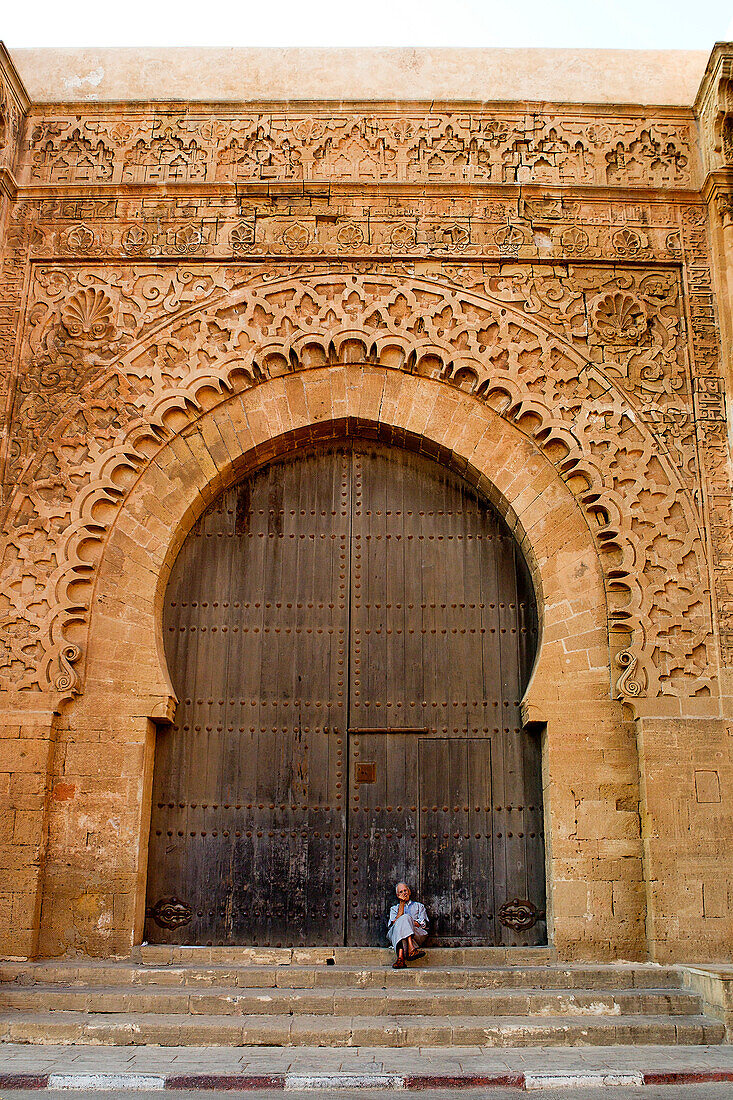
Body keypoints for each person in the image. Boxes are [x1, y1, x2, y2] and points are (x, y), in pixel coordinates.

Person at [387, 882, 428, 968]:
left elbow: (422, 925)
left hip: (416, 935)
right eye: (401, 892)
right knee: (401, 925)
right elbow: (394, 924)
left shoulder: (419, 906)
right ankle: (411, 950)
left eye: (405, 890)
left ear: (409, 892)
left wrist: (407, 920)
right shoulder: (394, 909)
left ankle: (400, 959)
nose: (404, 893)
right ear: (398, 895)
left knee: (404, 919)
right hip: (398, 935)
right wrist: (402, 903)